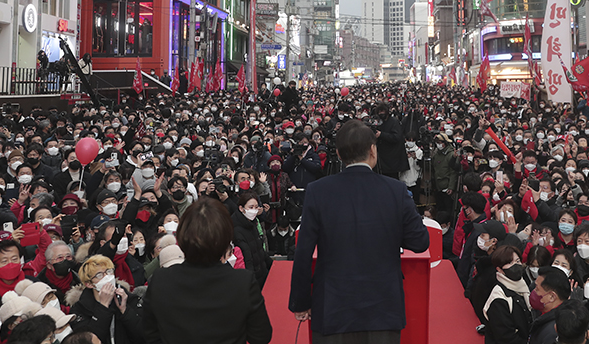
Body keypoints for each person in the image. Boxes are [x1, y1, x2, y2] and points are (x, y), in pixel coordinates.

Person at [289, 119, 429, 343]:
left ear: (338, 153)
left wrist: (301, 301)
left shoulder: (318, 191)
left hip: (333, 306)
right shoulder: (396, 190)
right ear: (373, 150)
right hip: (383, 307)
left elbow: (303, 252)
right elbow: (420, 241)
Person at [142, 197, 271, 344]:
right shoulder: (242, 281)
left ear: (183, 237)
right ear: (225, 239)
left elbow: (150, 334)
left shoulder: (161, 279)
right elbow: (261, 336)